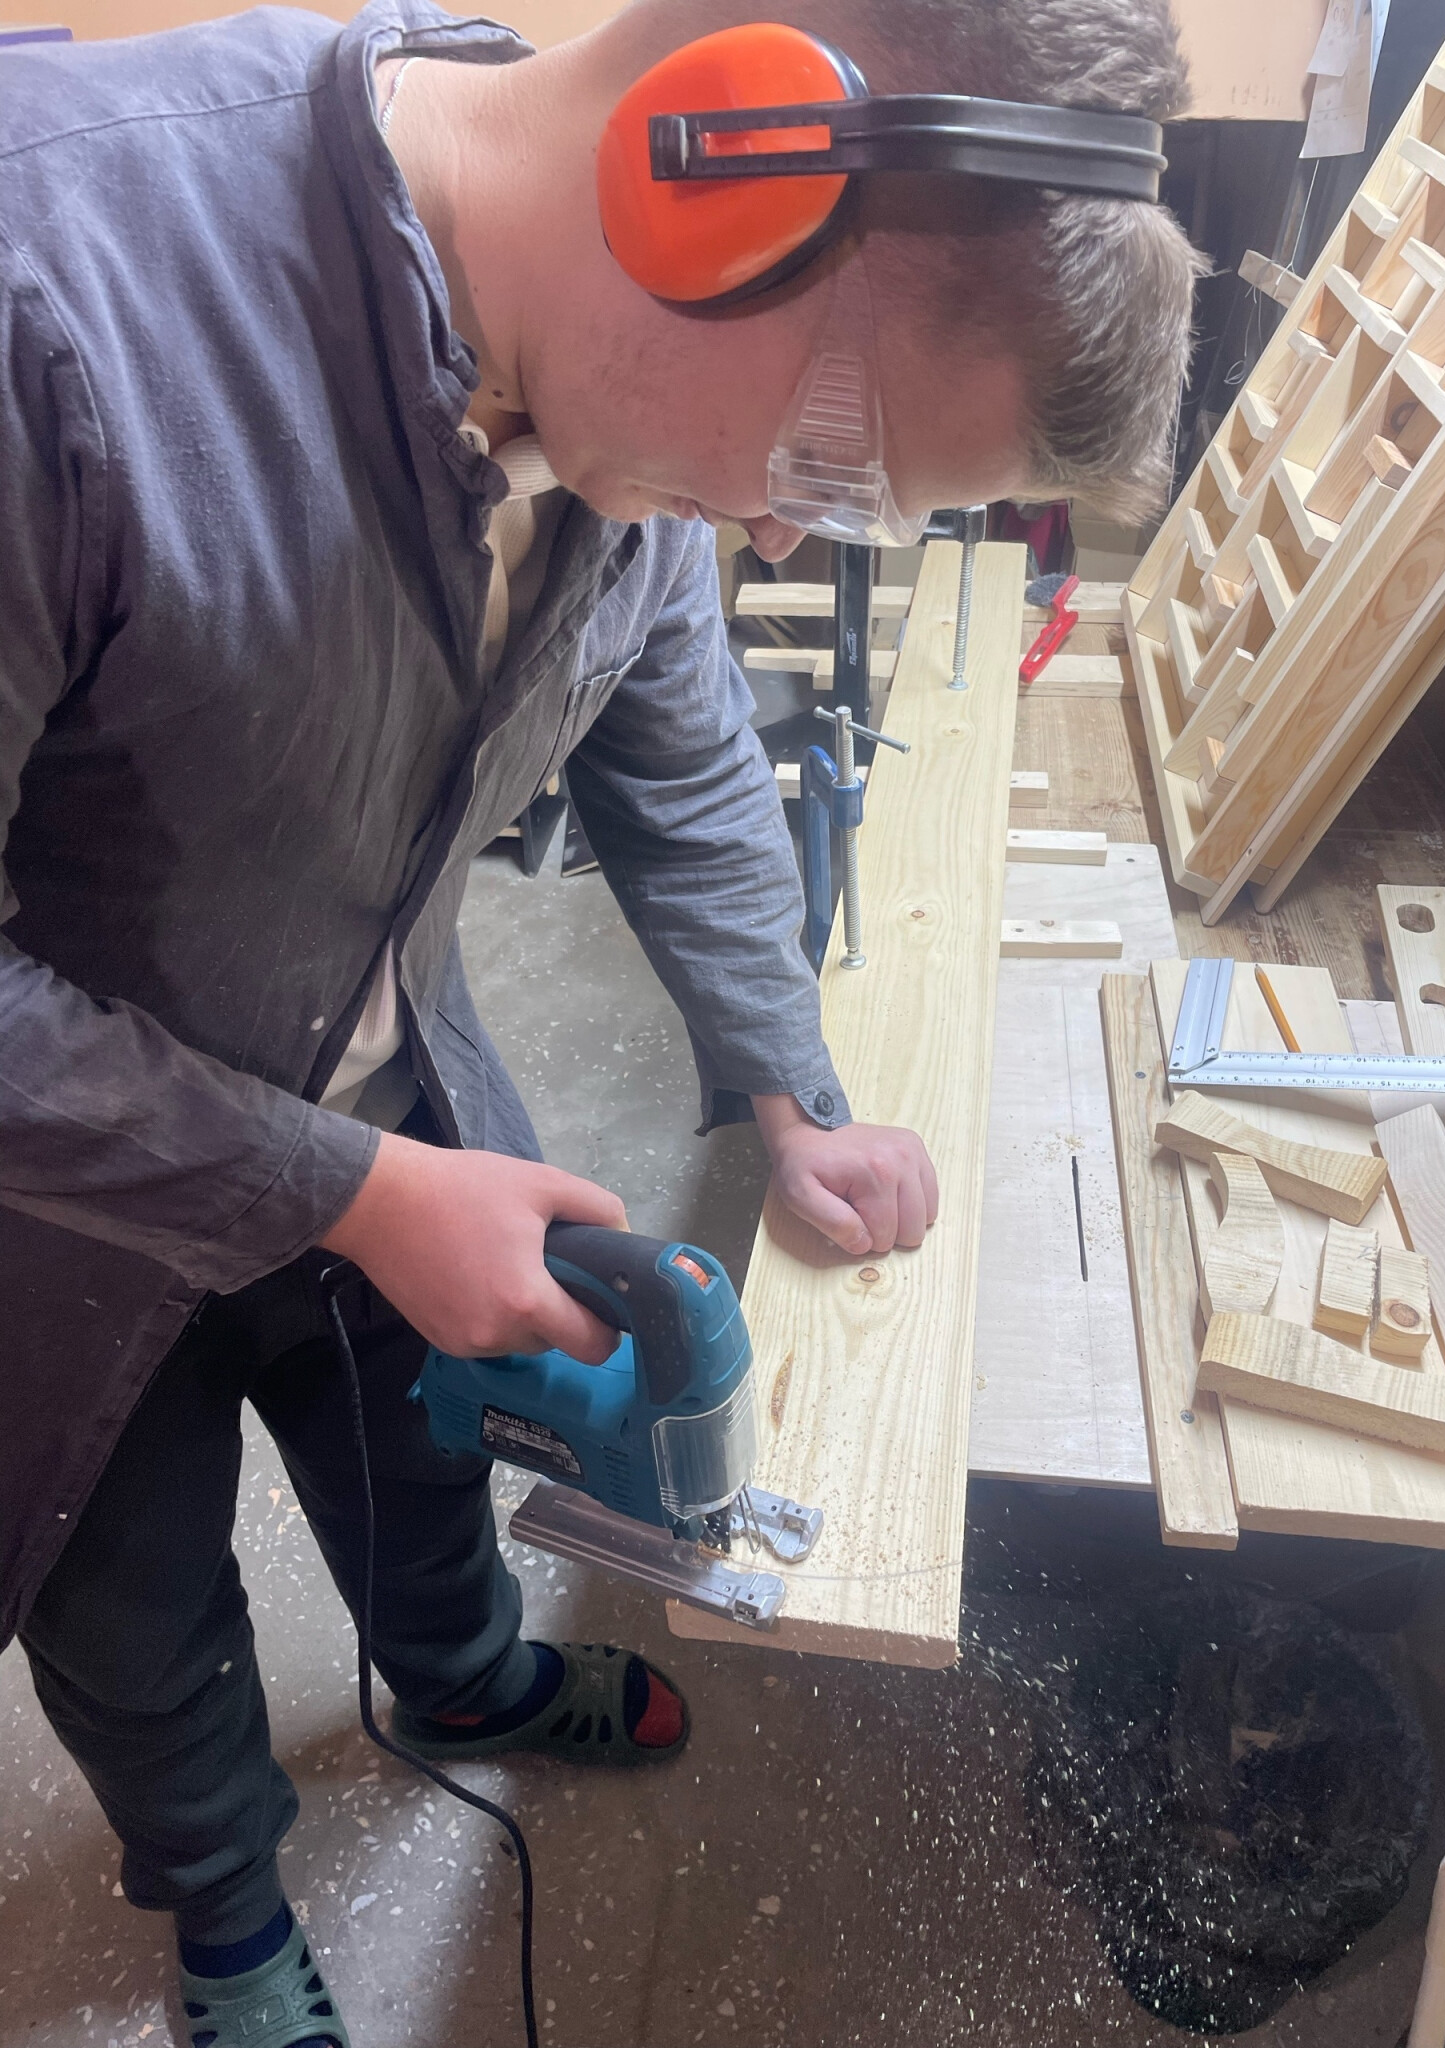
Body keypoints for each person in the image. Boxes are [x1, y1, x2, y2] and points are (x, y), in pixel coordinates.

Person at [0, 0, 1201, 2038]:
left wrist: (790, 1085)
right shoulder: (55, 294)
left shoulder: (600, 417)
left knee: (420, 1451)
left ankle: (462, 1676)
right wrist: (350, 1189)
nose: (782, 534)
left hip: (381, 1083)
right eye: (830, 463)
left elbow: (682, 746)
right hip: (55, 1213)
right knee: (131, 1601)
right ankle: (222, 1913)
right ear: (711, 170)